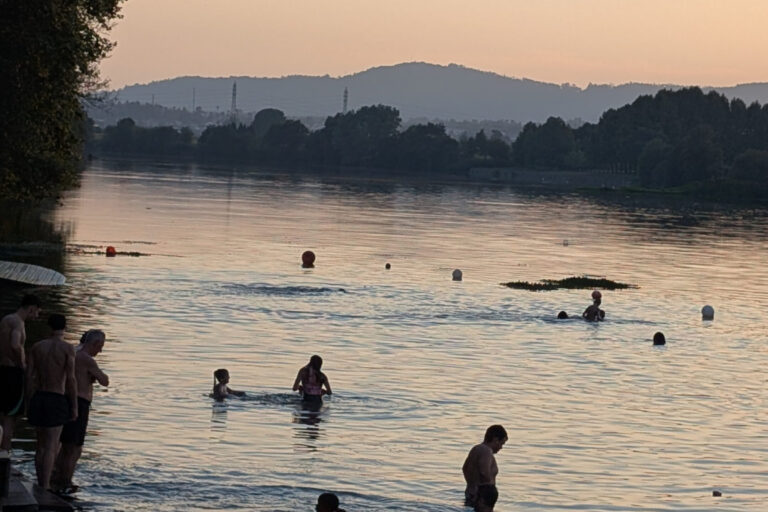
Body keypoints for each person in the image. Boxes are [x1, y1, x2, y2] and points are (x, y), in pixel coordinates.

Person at [53, 329, 109, 493]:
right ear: (95, 343)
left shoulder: (72, 352)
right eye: (101, 346)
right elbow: (104, 381)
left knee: (64, 444)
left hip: (64, 399)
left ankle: (56, 476)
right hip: (80, 402)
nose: (101, 351)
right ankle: (66, 481)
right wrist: (95, 375)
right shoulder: (87, 359)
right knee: (74, 447)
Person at [26, 314, 77, 490]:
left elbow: (29, 376)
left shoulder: (37, 347)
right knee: (51, 445)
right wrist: (74, 406)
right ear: (64, 327)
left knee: (40, 445)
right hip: (56, 398)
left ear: (49, 327)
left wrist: (28, 400)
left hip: (39, 396)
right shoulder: (67, 348)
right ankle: (46, 486)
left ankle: (39, 481)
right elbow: (71, 379)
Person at [0, 294, 41, 451]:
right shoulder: (18, 322)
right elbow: (15, 345)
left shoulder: (6, 319)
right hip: (12, 373)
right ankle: (4, 454)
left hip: (2, 369)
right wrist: (22, 363)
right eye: (37, 312)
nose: (36, 316)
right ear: (31, 308)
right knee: (10, 418)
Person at [463, 424, 507, 507]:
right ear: (495, 439)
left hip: (471, 493)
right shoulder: (486, 451)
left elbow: (465, 468)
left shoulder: (476, 448)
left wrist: (471, 485)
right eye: (502, 443)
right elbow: (484, 473)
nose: (501, 447)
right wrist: (490, 494)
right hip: (482, 498)